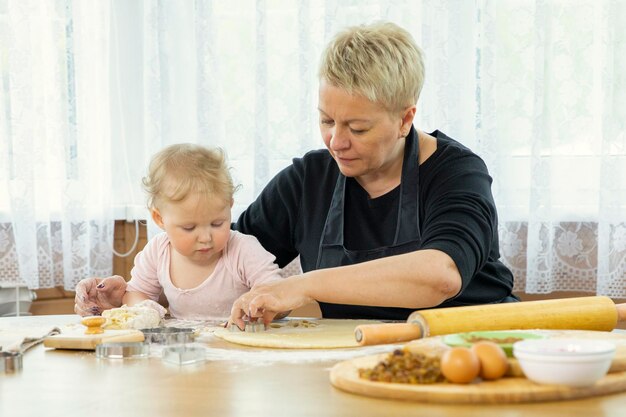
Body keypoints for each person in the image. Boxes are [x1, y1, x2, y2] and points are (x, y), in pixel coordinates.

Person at [75, 21, 516, 328]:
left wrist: (299, 287)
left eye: (357, 128)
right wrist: (133, 301)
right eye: (327, 121)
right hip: (350, 353)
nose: (335, 141)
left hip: (468, 346)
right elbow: (218, 258)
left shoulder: (458, 173)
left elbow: (440, 275)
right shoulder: (309, 179)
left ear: (405, 120)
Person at [74, 144, 284, 320]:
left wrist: (263, 303)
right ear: (159, 218)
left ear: (230, 206)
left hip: (239, 350)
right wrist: (145, 308)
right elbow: (136, 293)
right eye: (189, 228)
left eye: (217, 223)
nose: (205, 237)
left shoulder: (243, 249)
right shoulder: (158, 251)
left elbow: (280, 294)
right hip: (184, 352)